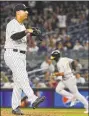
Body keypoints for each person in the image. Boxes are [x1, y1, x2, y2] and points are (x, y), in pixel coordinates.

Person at [4, 4, 45, 115]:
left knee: (18, 82)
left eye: (27, 11)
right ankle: (33, 98)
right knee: (23, 76)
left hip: (20, 55)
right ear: (18, 12)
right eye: (24, 10)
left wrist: (33, 34)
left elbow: (22, 36)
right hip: (12, 53)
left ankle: (15, 108)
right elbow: (14, 37)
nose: (27, 12)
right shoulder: (12, 23)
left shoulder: (22, 26)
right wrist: (27, 31)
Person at [50, 50, 88, 114]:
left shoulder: (59, 63)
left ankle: (87, 106)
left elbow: (62, 73)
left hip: (69, 80)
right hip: (64, 80)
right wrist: (73, 68)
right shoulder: (64, 58)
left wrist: (54, 74)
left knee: (77, 94)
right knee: (58, 89)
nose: (53, 59)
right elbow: (72, 61)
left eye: (54, 57)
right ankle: (71, 97)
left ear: (56, 57)